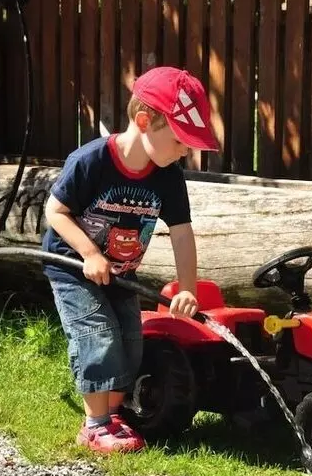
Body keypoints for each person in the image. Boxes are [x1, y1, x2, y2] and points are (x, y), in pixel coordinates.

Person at [41, 67, 219, 454]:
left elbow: (182, 232)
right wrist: (89, 254)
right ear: (143, 122)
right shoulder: (91, 161)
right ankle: (93, 425)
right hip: (73, 267)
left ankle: (114, 416)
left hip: (121, 271)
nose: (185, 150)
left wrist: (188, 287)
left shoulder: (168, 176)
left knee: (130, 342)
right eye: (178, 140)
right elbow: (55, 212)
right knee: (97, 336)